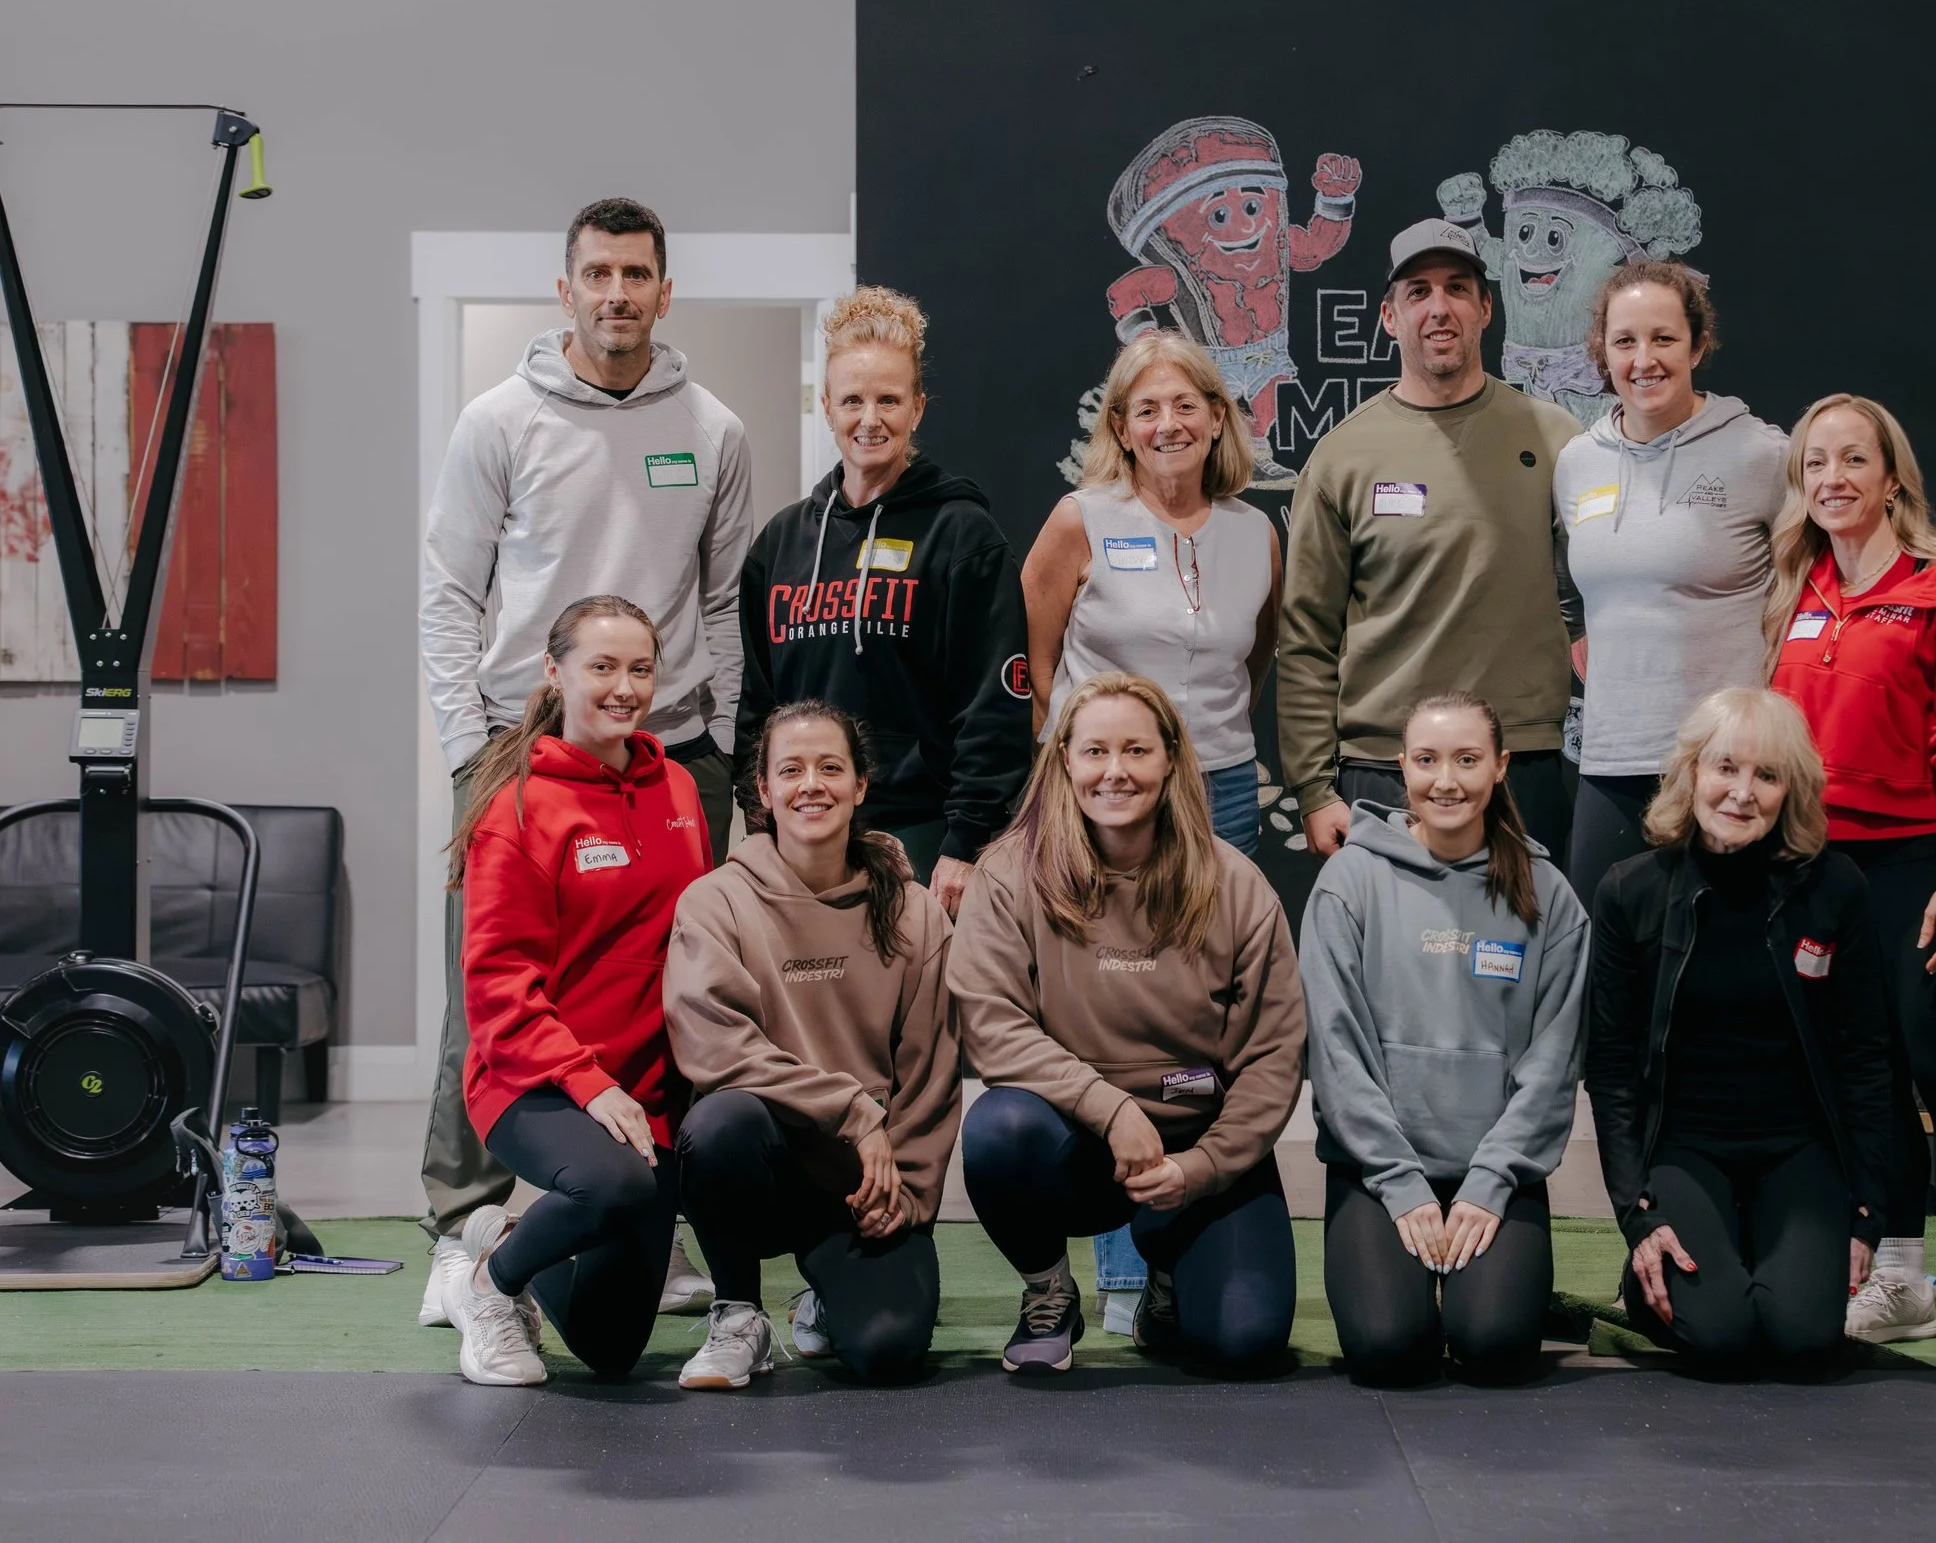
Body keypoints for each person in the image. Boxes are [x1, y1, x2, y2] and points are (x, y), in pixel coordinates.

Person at [418, 198, 747, 1327]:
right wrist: (472, 751)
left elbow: (723, 601)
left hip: (676, 746)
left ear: (665, 291)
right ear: (566, 290)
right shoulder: (500, 420)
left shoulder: (713, 429)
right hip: (523, 747)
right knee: (488, 992)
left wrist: (725, 744)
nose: (617, 293)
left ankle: (660, 1212)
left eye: (636, 274)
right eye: (597, 274)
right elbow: (449, 594)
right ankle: (463, 1227)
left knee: (676, 987)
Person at [1766, 394, 1936, 1371]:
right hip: (1819, 874)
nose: (1831, 478)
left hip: (1918, 866)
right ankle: (1904, 1281)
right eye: (1815, 463)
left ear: (1891, 479)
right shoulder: (1795, 594)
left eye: (1852, 460)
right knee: (1866, 1087)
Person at [949, 672, 1306, 1375]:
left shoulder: (1235, 884)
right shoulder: (1008, 875)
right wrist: (1109, 1109)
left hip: (1196, 1143)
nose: (1115, 771)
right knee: (998, 1129)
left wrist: (1201, 1166)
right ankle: (1049, 1291)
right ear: (1065, 762)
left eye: (1137, 750)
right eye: (1095, 751)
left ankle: (1168, 1272)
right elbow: (992, 1025)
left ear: (1171, 759)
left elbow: (1273, 1056)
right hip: (1073, 1141)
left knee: (1244, 1344)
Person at [442, 595, 715, 1387]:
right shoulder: (519, 809)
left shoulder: (678, 790)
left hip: (645, 1088)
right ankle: (488, 1287)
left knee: (610, 1347)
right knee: (613, 1182)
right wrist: (591, 1086)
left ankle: (510, 1240)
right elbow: (498, 991)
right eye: (602, 667)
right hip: (534, 1080)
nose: (624, 688)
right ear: (555, 672)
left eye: (640, 669)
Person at [1583, 687, 1893, 1371]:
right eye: (1725, 767)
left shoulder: (1836, 888)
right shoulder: (1630, 892)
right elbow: (1609, 1066)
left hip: (1798, 1146)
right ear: (1692, 771)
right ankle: (1656, 1278)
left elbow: (1868, 1057)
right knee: (1720, 1335)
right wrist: (1637, 1215)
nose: (1742, 793)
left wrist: (1868, 1214)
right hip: (1684, 1148)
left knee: (1803, 1340)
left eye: (1767, 775)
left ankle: (1759, 1250)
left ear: (1791, 791)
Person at [664, 700, 960, 1390]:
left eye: (830, 767)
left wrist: (908, 1192)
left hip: (863, 1182)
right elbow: (716, 1049)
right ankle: (739, 1313)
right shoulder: (715, 902)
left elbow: (932, 1069)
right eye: (791, 770)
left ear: (860, 785)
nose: (812, 785)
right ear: (764, 791)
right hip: (760, 1167)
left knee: (888, 1353)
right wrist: (852, 1111)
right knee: (721, 1121)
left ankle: (827, 1293)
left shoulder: (913, 910)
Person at [1301, 693, 1589, 1386]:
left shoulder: (1548, 895)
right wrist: (1400, 1184)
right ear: (1402, 767)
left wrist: (1492, 1183)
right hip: (1378, 1170)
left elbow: (1552, 1065)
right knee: (1387, 1348)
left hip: (1495, 1172)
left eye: (1467, 760)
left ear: (1501, 767)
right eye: (1427, 761)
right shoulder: (1349, 881)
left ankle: (1490, 1299)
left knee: (1495, 1345)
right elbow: (1337, 1055)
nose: (1447, 781)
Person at [1277, 218, 1581, 863]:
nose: (1439, 308)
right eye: (1418, 292)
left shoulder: (1557, 440)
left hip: (1521, 758)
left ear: (1486, 308)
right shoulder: (1341, 457)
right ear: (1389, 317)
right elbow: (1306, 635)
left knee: (1530, 932)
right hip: (1385, 765)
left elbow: (1592, 598)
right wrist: (1313, 788)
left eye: (1457, 288)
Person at [736, 286, 1031, 919]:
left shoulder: (962, 536)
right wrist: (761, 819)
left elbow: (994, 705)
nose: (870, 419)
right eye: (852, 400)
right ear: (826, 407)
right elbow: (757, 704)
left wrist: (965, 841)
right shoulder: (782, 543)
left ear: (917, 407)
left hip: (924, 833)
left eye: (889, 400)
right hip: (802, 832)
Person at [1555, 261, 1786, 908]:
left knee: (1723, 955)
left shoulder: (1761, 455)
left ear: (1698, 344)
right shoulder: (1577, 464)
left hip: (1726, 767)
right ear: (1602, 351)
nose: (1644, 359)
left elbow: (1808, 587)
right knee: (1606, 953)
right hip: (1610, 759)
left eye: (1663, 338)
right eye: (1625, 341)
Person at [1024, 330, 1281, 857]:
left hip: (1223, 785)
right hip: (1102, 782)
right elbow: (1033, 664)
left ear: (1217, 418)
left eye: (1185, 406)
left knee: (1219, 913)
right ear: (1121, 429)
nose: (1168, 425)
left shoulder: (1257, 533)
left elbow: (1255, 661)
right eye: (1147, 410)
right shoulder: (1081, 519)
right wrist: (1078, 755)